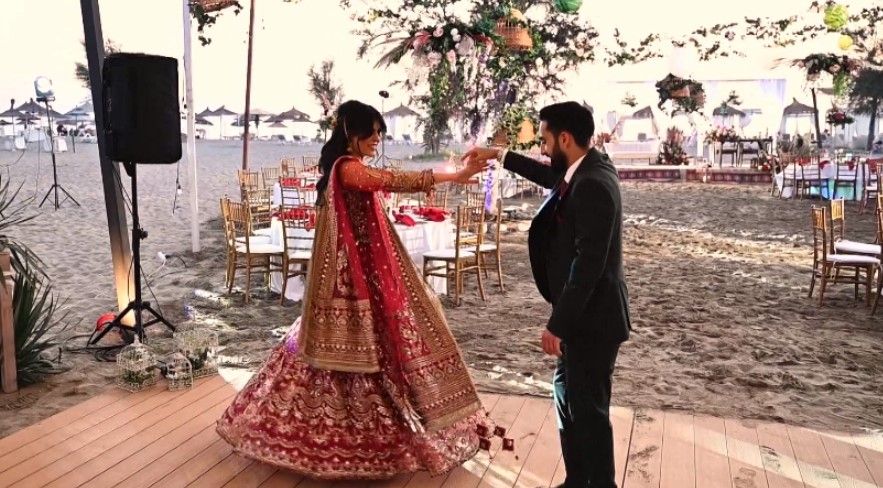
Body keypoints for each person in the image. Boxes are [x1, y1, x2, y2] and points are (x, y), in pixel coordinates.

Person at [217, 100, 490, 479]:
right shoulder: (347, 169)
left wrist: (453, 175)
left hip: (365, 276)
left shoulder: (349, 167)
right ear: (351, 132)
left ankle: (377, 442)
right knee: (353, 352)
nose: (377, 139)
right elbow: (392, 180)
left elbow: (387, 180)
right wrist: (454, 175)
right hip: (352, 283)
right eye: (371, 132)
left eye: (380, 133)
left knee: (376, 348)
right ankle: (327, 443)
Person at [463, 101, 630, 488]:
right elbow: (548, 174)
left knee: (589, 412)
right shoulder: (588, 167)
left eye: (545, 140)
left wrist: (558, 325)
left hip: (593, 320)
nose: (542, 147)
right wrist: (498, 155)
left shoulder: (592, 185)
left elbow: (588, 266)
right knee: (567, 395)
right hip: (585, 317)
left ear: (565, 139)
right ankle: (577, 481)